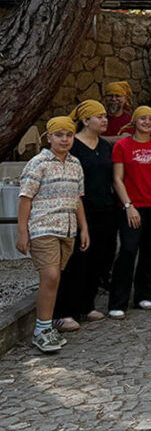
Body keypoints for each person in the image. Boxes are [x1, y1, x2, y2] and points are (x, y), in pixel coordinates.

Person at [17, 117, 90, 353]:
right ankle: (41, 330)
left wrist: (84, 227)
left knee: (55, 277)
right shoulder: (37, 164)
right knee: (50, 276)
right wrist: (22, 232)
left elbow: (77, 198)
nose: (65, 139)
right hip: (43, 226)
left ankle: (47, 326)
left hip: (67, 229)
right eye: (59, 135)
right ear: (49, 138)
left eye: (69, 135)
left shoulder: (75, 164)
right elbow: (25, 198)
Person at [53, 101, 112, 331]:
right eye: (99, 116)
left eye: (105, 116)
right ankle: (64, 310)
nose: (104, 120)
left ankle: (86, 305)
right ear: (86, 120)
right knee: (75, 259)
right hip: (78, 210)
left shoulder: (105, 146)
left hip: (103, 209)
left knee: (98, 258)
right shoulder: (73, 146)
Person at [109, 106, 151, 318]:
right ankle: (118, 301)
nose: (146, 122)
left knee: (149, 250)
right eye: (142, 118)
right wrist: (128, 206)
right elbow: (117, 179)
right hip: (130, 208)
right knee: (127, 250)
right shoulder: (122, 145)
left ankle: (143, 294)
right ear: (134, 121)